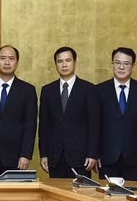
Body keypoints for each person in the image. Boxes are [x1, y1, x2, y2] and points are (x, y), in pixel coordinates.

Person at [38, 47, 100, 178]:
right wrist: (44, 154)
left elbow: (94, 125)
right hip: (55, 157)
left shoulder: (89, 89)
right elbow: (44, 126)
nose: (64, 65)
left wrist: (92, 153)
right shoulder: (47, 90)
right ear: (55, 64)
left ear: (75, 62)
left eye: (68, 60)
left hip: (81, 158)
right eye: (60, 61)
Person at [0, 45, 38, 177]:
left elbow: (30, 125)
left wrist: (25, 155)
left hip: (15, 156)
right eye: (3, 58)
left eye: (11, 59)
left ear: (17, 62)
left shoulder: (27, 90)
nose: (6, 62)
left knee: (13, 196)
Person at [97, 47, 137, 180]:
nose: (121, 67)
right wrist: (94, 154)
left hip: (134, 159)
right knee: (106, 198)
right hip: (106, 159)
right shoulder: (98, 91)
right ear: (112, 64)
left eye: (126, 63)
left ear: (133, 66)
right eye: (117, 62)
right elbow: (94, 126)